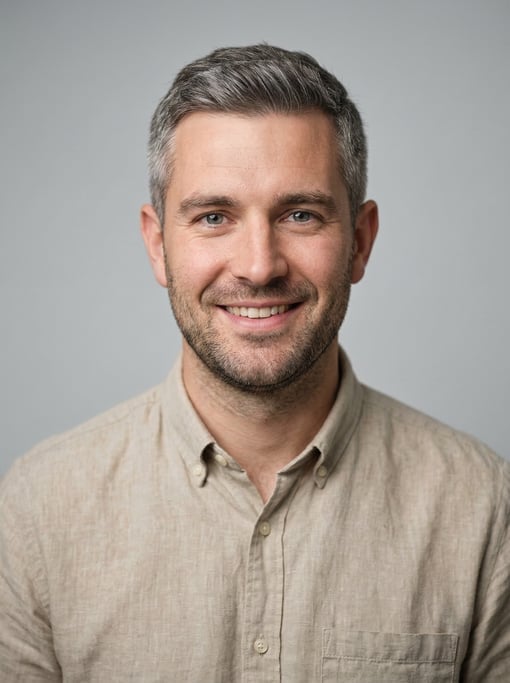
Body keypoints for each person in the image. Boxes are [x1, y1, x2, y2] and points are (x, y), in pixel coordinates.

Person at [1, 44, 508, 682]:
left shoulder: (483, 508)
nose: (259, 264)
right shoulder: (37, 514)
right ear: (158, 246)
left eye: (300, 215)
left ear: (360, 240)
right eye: (214, 217)